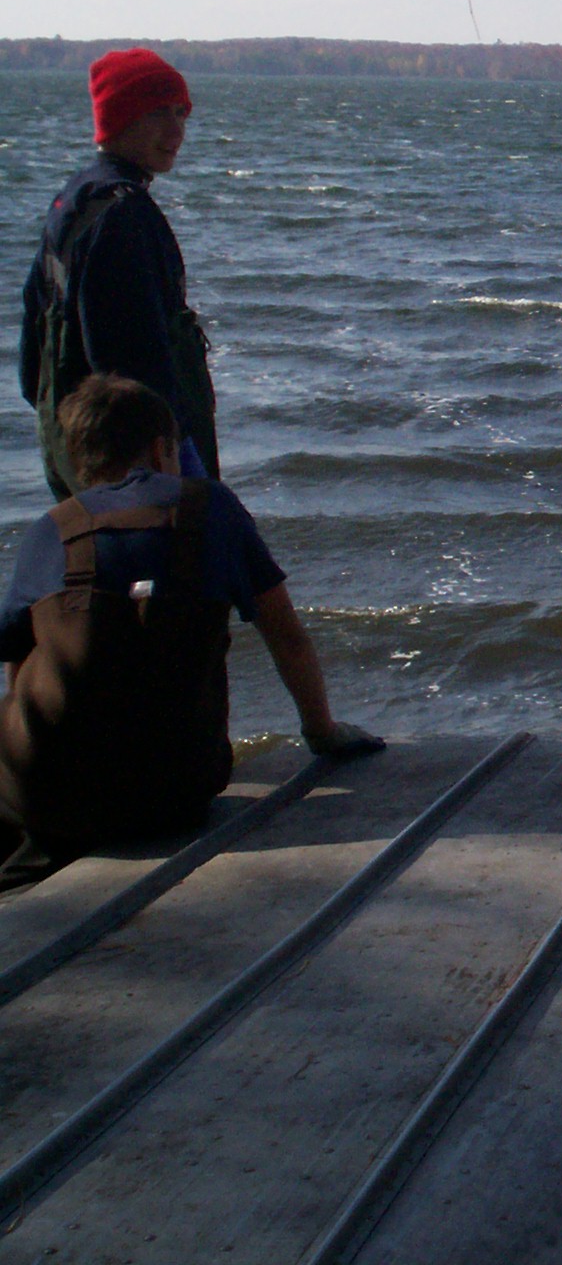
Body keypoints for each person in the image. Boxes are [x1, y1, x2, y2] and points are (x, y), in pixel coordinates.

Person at [0, 375, 381, 888]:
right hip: (180, 793)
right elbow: (286, 637)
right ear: (162, 450)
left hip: (57, 801)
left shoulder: (52, 528)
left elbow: (18, 667)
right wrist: (322, 732)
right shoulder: (213, 509)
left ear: (77, 462)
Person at [19, 47, 219, 501]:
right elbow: (135, 361)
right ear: (120, 119)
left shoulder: (74, 200)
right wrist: (172, 464)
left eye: (181, 114)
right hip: (136, 464)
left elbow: (32, 360)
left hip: (76, 454)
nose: (176, 131)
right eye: (158, 114)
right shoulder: (122, 216)